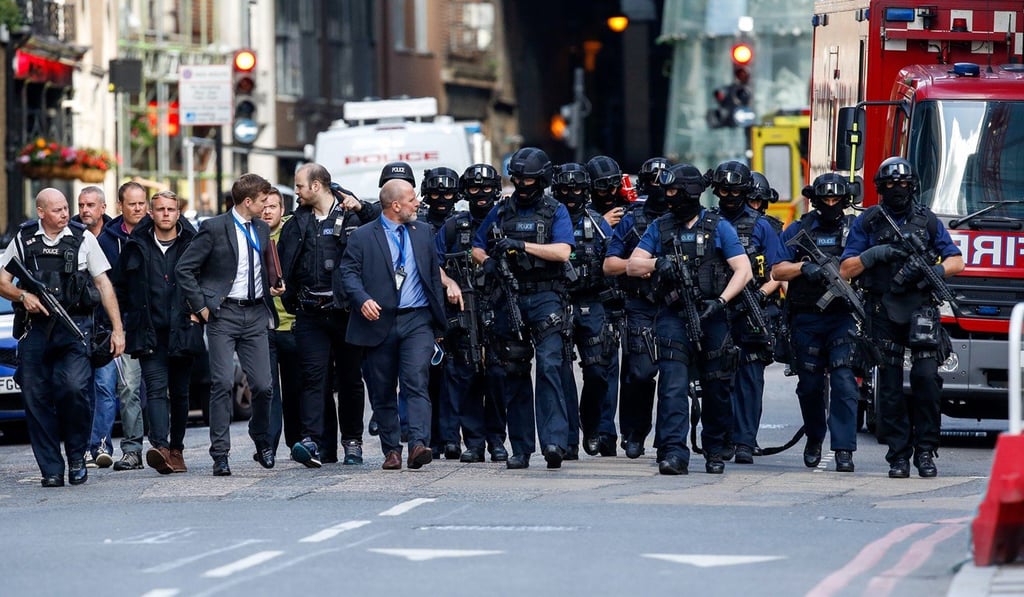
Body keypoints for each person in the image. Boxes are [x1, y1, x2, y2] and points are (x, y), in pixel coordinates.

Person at [839, 157, 964, 478]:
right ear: (881, 189)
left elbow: (956, 261)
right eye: (891, 185)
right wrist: (874, 254)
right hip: (882, 310)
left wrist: (933, 271)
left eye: (904, 184)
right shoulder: (869, 221)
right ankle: (898, 455)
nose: (898, 190)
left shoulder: (927, 220)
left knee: (926, 379)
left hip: (920, 309)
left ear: (914, 187)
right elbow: (846, 269)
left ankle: (925, 450)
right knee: (890, 387)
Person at [626, 164, 751, 475]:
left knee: (716, 386)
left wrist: (721, 301)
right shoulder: (661, 227)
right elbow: (632, 266)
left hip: (712, 315)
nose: (669, 198)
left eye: (674, 192)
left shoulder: (718, 226)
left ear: (691, 193)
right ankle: (672, 451)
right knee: (672, 384)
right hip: (673, 315)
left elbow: (743, 270)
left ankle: (715, 448)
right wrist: (658, 262)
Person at [0, 188, 125, 487]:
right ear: (41, 212)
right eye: (57, 210)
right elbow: (3, 282)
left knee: (74, 390)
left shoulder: (83, 238)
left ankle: (78, 455)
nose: (65, 214)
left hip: (74, 329)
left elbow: (103, 284)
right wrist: (22, 295)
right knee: (36, 398)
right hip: (35, 330)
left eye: (66, 208)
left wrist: (118, 329)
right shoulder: (24, 239)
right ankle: (51, 469)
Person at [340, 179, 460, 470]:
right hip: (378, 320)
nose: (417, 203)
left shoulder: (423, 232)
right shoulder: (363, 236)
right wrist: (362, 299)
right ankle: (392, 449)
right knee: (382, 389)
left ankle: (418, 444)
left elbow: (432, 274)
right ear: (395, 206)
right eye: (411, 199)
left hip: (417, 319)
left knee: (416, 380)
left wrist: (440, 316)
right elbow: (348, 273)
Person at [472, 147, 575, 470]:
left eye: (528, 178)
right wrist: (488, 261)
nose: (522, 183)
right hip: (510, 298)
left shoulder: (555, 210)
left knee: (549, 367)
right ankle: (521, 448)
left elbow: (562, 252)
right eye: (517, 178)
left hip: (547, 297)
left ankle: (555, 442)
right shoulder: (502, 211)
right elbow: (477, 244)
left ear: (541, 179)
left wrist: (522, 246)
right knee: (514, 373)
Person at [176, 173, 285, 476]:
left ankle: (261, 438)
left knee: (264, 386)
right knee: (222, 383)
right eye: (263, 201)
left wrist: (272, 284)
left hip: (256, 314)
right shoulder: (213, 228)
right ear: (247, 201)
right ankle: (220, 453)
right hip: (223, 314)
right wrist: (202, 306)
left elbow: (261, 265)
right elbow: (185, 269)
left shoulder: (262, 229)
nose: (266, 206)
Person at [279, 163, 378, 468]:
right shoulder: (297, 222)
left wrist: (360, 207)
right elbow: (286, 264)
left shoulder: (352, 215)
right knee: (312, 378)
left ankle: (352, 442)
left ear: (317, 186)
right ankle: (313, 441)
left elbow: (381, 224)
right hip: (310, 313)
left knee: (350, 380)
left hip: (346, 313)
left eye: (299, 186)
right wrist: (290, 296)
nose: (296, 191)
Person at [772, 173, 861, 472]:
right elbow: (777, 271)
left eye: (837, 200)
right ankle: (814, 437)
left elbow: (868, 263)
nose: (832, 205)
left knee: (844, 382)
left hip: (842, 316)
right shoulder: (800, 229)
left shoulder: (854, 229)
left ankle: (844, 449)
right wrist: (803, 267)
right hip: (807, 317)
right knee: (809, 386)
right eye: (826, 200)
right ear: (816, 199)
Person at [114, 190, 199, 474]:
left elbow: (206, 278)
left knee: (180, 393)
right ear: (151, 213)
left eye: (170, 209)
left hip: (184, 329)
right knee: (155, 390)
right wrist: (127, 320)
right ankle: (160, 448)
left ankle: (177, 449)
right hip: (148, 332)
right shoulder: (136, 244)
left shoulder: (192, 242)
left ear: (178, 212)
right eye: (160, 209)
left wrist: (200, 310)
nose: (165, 214)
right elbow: (121, 286)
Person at [708, 161, 782, 464]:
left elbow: (779, 270)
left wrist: (763, 294)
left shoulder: (762, 226)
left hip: (752, 308)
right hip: (716, 307)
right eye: (723, 190)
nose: (729, 195)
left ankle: (744, 441)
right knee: (718, 376)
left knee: (750, 377)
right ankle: (721, 437)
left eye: (735, 190)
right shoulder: (707, 222)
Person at [435, 163, 508, 462]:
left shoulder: (506, 220)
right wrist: (449, 282)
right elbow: (432, 263)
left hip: (500, 307)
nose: (481, 194)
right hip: (463, 308)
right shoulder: (453, 225)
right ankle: (474, 442)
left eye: (487, 188)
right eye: (475, 188)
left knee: (498, 375)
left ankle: (497, 439)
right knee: (464, 374)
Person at [602, 159, 671, 459]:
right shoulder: (632, 219)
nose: (659, 190)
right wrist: (635, 267)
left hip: (675, 306)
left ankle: (669, 439)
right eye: (653, 183)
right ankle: (634, 433)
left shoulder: (688, 219)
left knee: (674, 375)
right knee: (639, 374)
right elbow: (610, 264)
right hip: (640, 304)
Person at [551, 162, 617, 458]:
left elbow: (614, 258)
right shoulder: (549, 218)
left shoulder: (597, 223)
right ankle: (568, 441)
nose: (571, 194)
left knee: (597, 372)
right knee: (561, 372)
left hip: (592, 302)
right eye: (565, 188)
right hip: (558, 301)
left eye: (577, 188)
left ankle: (591, 426)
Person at [98, 181, 148, 471]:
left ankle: (168, 447)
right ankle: (132, 449)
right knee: (128, 388)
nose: (138, 208)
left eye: (142, 203)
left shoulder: (161, 231)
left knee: (159, 389)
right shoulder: (107, 240)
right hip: (126, 325)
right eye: (132, 204)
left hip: (158, 325)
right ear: (120, 206)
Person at [418, 167, 462, 459]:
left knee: (456, 374)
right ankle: (430, 437)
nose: (442, 198)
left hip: (457, 305)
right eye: (435, 192)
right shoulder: (416, 223)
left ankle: (451, 437)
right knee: (426, 375)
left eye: (448, 192)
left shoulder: (462, 223)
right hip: (423, 304)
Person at [73, 186, 117, 469]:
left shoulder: (116, 238)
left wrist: (119, 326)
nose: (85, 210)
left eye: (91, 205)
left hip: (106, 326)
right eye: (81, 204)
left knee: (105, 387)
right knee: (80, 388)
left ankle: (100, 445)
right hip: (78, 326)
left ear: (102, 208)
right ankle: (82, 447)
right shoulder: (72, 237)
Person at [262, 188, 301, 455]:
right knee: (268, 390)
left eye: (273, 207)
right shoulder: (252, 236)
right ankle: (268, 445)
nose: (267, 211)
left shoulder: (294, 235)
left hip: (294, 324)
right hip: (264, 325)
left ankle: (297, 442)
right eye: (263, 206)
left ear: (282, 210)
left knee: (295, 388)